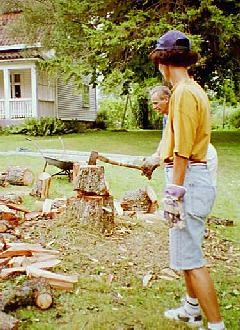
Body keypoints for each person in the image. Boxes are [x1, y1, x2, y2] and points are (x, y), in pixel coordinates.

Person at [146, 30, 225, 330]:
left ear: (161, 63)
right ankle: (191, 310)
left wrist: (174, 192)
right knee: (186, 252)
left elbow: (183, 150)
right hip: (191, 178)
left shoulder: (181, 94)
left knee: (191, 259)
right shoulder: (192, 89)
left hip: (188, 180)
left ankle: (216, 325)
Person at [142, 85, 218, 187]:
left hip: (202, 155)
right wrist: (156, 156)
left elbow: (183, 143)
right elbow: (166, 139)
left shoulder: (180, 113)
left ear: (166, 99)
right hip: (190, 157)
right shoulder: (167, 116)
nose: (154, 107)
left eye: (156, 103)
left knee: (200, 191)